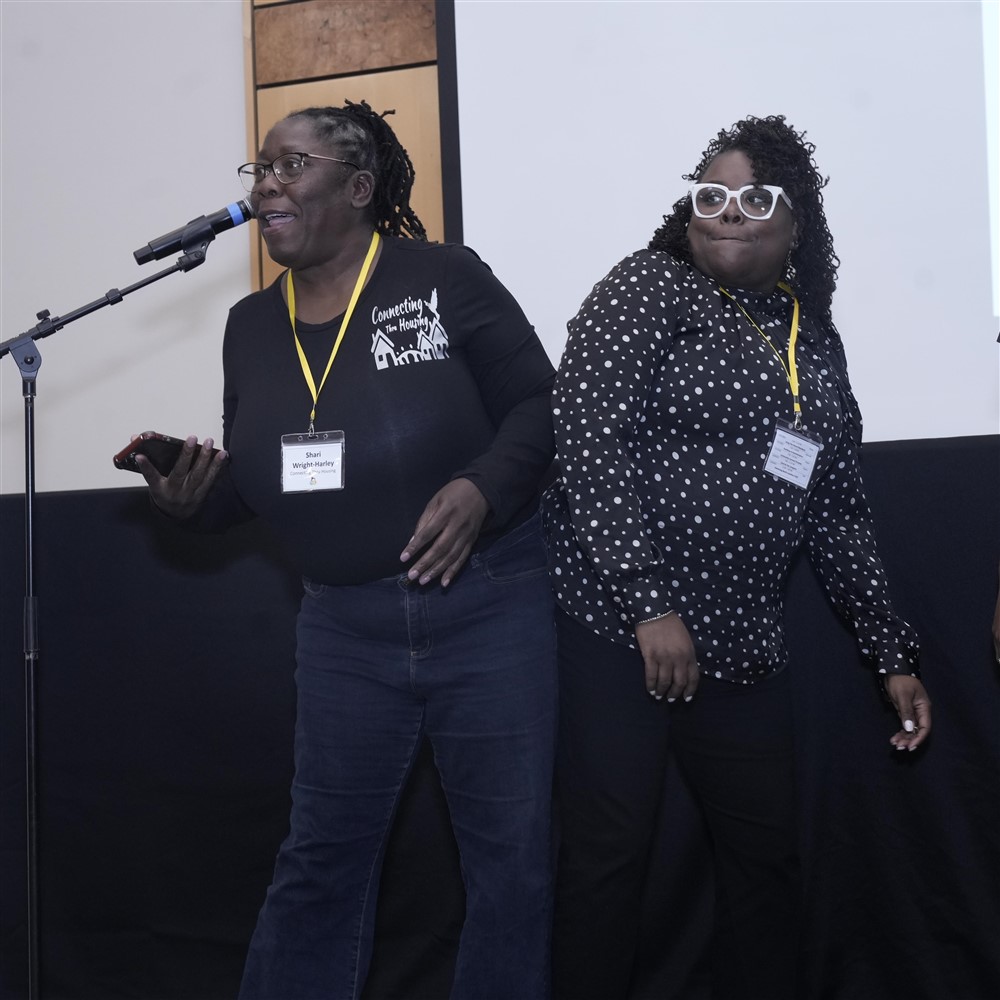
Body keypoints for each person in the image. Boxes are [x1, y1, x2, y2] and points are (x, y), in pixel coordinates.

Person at [134, 100, 557, 1000]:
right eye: (261, 169)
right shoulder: (251, 325)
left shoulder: (442, 277)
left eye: (290, 166)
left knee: (508, 861)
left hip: (486, 609)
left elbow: (540, 404)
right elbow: (261, 485)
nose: (266, 187)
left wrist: (484, 487)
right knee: (320, 858)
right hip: (344, 632)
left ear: (359, 188)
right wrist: (190, 504)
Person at [540, 115, 932, 1000]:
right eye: (710, 196)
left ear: (796, 225)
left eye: (754, 200)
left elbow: (836, 509)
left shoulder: (810, 336)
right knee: (608, 860)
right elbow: (588, 444)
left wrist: (892, 653)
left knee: (766, 863)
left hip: (745, 646)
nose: (726, 212)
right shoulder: (646, 287)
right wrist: (649, 603)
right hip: (619, 632)